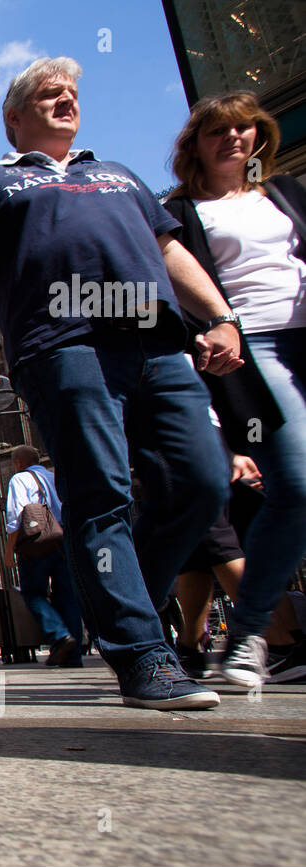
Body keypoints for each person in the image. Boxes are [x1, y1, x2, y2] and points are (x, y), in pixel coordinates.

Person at [0, 56, 243, 709]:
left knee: (202, 481)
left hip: (158, 341)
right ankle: (139, 651)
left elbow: (168, 251)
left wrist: (219, 314)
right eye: (49, 94)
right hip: (64, 342)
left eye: (72, 93)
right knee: (100, 492)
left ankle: (131, 594)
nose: (66, 101)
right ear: (14, 117)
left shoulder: (117, 175)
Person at [162, 91, 306, 688]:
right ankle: (250, 634)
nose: (234, 138)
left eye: (244, 128)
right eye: (217, 130)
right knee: (297, 483)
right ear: (194, 143)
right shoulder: (179, 213)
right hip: (252, 345)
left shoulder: (287, 195)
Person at [4, 445, 82, 667]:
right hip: (63, 542)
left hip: (35, 544)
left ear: (18, 463)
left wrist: (10, 549)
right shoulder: (55, 477)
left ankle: (58, 635)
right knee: (67, 597)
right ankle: (73, 656)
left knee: (32, 593)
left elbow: (15, 517)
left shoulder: (20, 479)